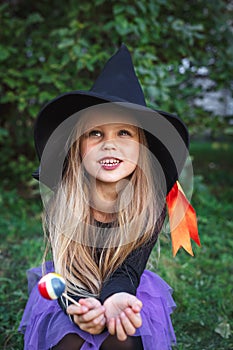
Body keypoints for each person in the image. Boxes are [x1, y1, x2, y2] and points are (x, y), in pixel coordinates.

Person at [19, 44, 200, 350]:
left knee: (121, 339)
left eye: (124, 134)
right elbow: (65, 271)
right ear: (78, 146)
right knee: (69, 340)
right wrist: (79, 308)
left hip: (125, 286)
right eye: (96, 134)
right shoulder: (64, 201)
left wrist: (114, 297)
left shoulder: (149, 205)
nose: (109, 145)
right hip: (73, 286)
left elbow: (128, 269)